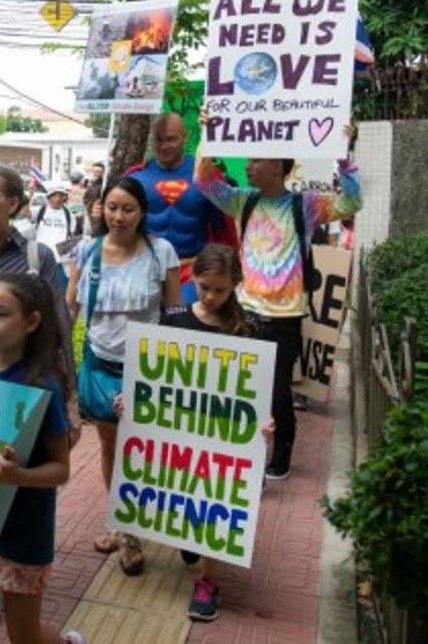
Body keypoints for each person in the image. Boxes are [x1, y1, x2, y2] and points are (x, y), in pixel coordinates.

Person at [194, 114, 361, 479]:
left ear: (277, 165)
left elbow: (351, 203)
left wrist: (344, 153)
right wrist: (209, 132)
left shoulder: (306, 205)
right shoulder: (242, 201)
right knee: (238, 388)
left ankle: (281, 453)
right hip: (242, 314)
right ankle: (240, 451)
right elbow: (204, 180)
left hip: (284, 319)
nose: (248, 166)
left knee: (276, 391)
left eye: (256, 159)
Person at [0, 273, 85, 644]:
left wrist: (18, 475)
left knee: (24, 635)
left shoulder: (43, 385)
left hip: (21, 530)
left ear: (31, 322)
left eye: (0, 314)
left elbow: (60, 470)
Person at [66, 175, 180, 571]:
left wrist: (172, 369)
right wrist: (57, 361)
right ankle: (120, 524)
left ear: (142, 212)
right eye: (112, 208)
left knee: (141, 452)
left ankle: (132, 529)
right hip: (99, 365)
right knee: (110, 446)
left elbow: (174, 313)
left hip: (146, 369)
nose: (119, 216)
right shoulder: (86, 251)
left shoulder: (161, 252)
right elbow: (69, 309)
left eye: (128, 209)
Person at [159, 243, 276, 622]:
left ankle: (209, 581)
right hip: (181, 428)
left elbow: (257, 386)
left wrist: (263, 420)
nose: (210, 297)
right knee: (186, 492)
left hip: (224, 434)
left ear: (235, 285)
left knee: (217, 501)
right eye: (205, 287)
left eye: (220, 290)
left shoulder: (247, 327)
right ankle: (191, 536)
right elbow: (155, 372)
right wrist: (132, 399)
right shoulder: (173, 319)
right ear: (193, 278)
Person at [0, 163, 68, 359]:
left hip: (17, 374)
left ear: (13, 204)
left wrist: (67, 377)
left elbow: (58, 325)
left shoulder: (37, 257)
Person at [125, 113, 231, 304]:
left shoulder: (204, 175)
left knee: (183, 319)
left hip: (191, 270)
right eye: (159, 139)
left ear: (185, 137)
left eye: (171, 139)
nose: (164, 146)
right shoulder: (136, 178)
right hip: (145, 268)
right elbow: (120, 228)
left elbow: (221, 228)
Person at [34, 183, 77, 260]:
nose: (58, 199)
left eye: (61, 196)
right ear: (49, 197)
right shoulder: (40, 211)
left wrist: (70, 257)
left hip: (60, 258)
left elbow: (71, 236)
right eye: (55, 195)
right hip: (40, 256)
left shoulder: (68, 214)